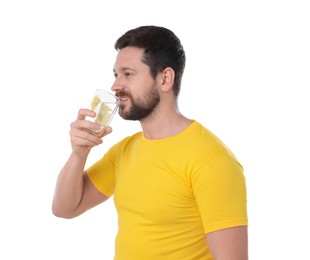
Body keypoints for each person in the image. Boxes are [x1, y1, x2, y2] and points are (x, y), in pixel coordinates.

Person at [52, 25, 248, 260]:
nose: (115, 85)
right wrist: (79, 153)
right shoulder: (125, 151)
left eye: (128, 74)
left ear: (165, 78)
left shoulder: (212, 160)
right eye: (116, 74)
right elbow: (65, 208)